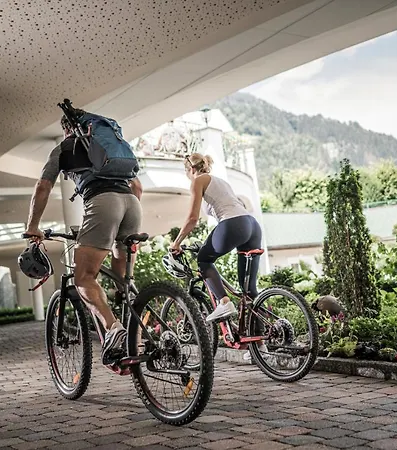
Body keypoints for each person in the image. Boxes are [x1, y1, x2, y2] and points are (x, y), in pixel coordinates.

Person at [24, 109, 143, 365]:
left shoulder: (65, 147)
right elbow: (137, 186)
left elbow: (43, 187)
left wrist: (33, 226)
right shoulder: (112, 147)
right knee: (123, 282)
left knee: (84, 278)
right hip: (132, 204)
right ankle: (138, 340)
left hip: (102, 202)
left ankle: (114, 329)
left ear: (66, 128)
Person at [170, 153, 263, 328]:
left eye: (186, 172)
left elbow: (192, 218)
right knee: (249, 291)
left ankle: (224, 302)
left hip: (233, 224)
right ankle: (260, 340)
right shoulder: (221, 182)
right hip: (251, 226)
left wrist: (177, 242)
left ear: (191, 169)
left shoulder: (198, 181)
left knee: (204, 260)